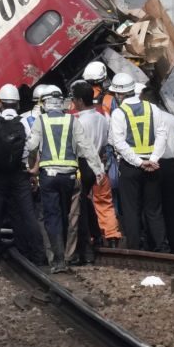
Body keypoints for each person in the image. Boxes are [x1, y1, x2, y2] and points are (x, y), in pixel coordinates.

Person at [0, 83, 46, 265]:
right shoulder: (24, 122)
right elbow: (34, 147)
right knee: (28, 215)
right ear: (18, 104)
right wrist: (35, 168)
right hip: (19, 175)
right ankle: (38, 254)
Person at [36, 86, 104, 272]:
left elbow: (32, 145)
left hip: (48, 176)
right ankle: (69, 255)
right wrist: (98, 169)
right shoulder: (72, 121)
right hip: (71, 176)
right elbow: (86, 146)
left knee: (52, 217)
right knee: (72, 216)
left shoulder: (40, 121)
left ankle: (57, 260)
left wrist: (31, 168)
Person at [108, 72, 169, 251]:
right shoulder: (152, 108)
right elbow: (162, 134)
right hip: (153, 165)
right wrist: (153, 159)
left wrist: (138, 162)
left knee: (131, 208)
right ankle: (160, 246)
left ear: (119, 94)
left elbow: (118, 142)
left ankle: (135, 247)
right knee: (153, 209)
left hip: (130, 167)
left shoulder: (119, 113)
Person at [71, 82, 121, 250]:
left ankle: (92, 237)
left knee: (82, 203)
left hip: (83, 165)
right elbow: (108, 142)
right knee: (105, 202)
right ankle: (112, 236)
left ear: (79, 101)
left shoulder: (77, 121)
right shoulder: (102, 118)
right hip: (100, 164)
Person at [145, 84, 174, 255]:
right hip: (171, 166)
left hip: (153, 164)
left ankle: (158, 243)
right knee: (172, 208)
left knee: (153, 207)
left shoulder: (148, 120)